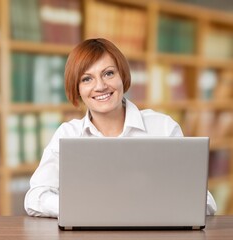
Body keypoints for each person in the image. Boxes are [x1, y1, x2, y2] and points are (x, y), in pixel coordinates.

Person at [24, 38, 217, 218]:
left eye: (108, 73)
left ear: (122, 76)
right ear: (77, 89)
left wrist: (149, 209)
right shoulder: (68, 134)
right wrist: (84, 209)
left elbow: (205, 202)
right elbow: (35, 197)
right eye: (86, 79)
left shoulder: (162, 127)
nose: (100, 86)